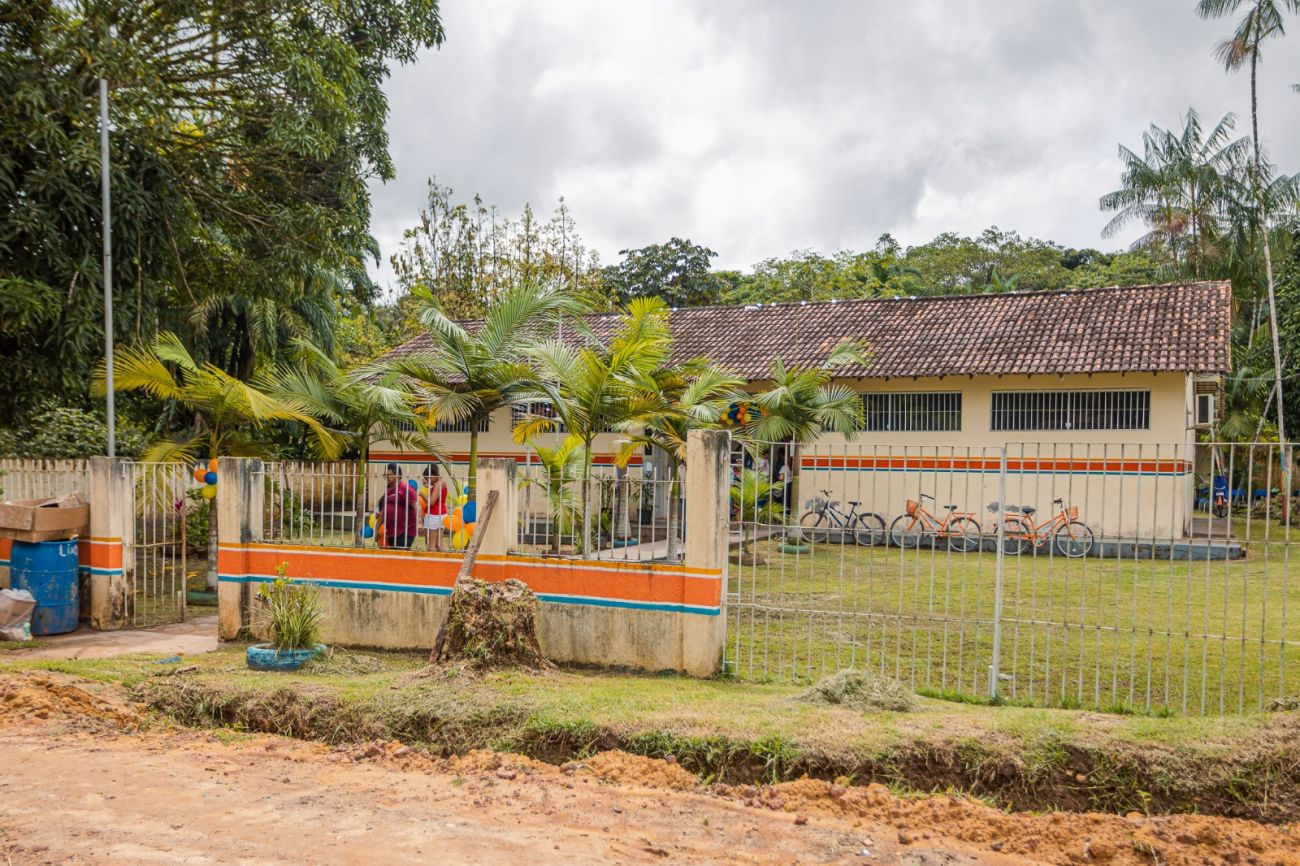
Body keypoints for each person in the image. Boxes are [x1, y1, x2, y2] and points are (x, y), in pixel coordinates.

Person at [376, 462, 418, 550]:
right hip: (391, 532)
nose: (387, 477)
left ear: (398, 475)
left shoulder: (404, 487)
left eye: (389, 475)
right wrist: (377, 529)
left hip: (405, 531)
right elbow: (383, 512)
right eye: (386, 475)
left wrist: (420, 524)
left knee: (401, 553)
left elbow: (416, 505)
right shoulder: (388, 491)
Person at [421, 463, 449, 550]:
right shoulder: (441, 483)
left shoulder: (438, 484)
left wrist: (421, 494)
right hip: (441, 514)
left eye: (428, 478)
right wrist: (428, 487)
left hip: (434, 515)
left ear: (433, 475)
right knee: (439, 544)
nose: (427, 480)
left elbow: (432, 502)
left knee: (431, 545)